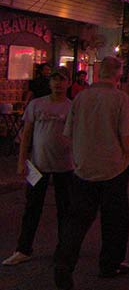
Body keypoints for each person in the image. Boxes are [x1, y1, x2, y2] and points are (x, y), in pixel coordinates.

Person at [53, 57, 129, 290]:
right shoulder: (120, 99)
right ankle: (110, 264)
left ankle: (63, 263)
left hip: (83, 168)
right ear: (118, 75)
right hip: (113, 169)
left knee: (76, 220)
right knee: (114, 220)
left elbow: (67, 133)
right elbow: (127, 141)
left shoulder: (81, 98)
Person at [4, 68, 73, 267]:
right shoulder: (36, 105)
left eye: (62, 80)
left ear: (68, 83)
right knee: (32, 207)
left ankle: (64, 249)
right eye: (54, 80)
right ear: (49, 83)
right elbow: (26, 134)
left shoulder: (72, 107)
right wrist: (21, 161)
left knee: (65, 209)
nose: (58, 84)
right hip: (38, 164)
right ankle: (23, 248)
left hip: (65, 165)